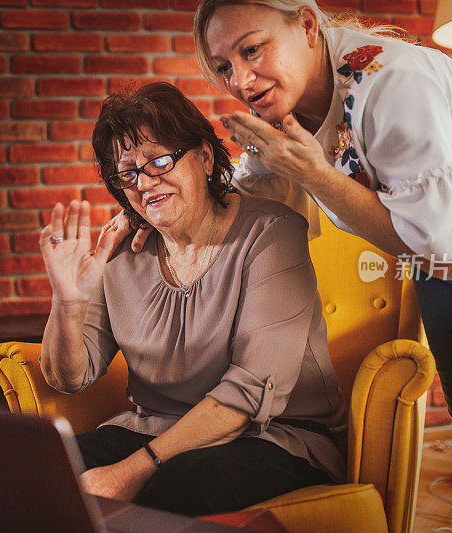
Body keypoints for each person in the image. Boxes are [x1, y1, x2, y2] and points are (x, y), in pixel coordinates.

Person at [173, 1, 452, 531]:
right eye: (223, 66)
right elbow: (249, 190)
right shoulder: (289, 106)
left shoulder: (393, 85)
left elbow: (445, 253)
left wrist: (318, 177)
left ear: (308, 25)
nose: (241, 79)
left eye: (253, 49)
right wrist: (154, 212)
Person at [38, 82, 346, 517]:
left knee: (179, 487)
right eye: (127, 173)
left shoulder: (271, 235)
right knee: (44, 471)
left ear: (203, 156)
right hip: (154, 429)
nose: (145, 183)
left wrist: (129, 472)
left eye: (160, 160)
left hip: (275, 436)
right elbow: (71, 377)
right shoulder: (121, 253)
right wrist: (67, 303)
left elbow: (246, 397)